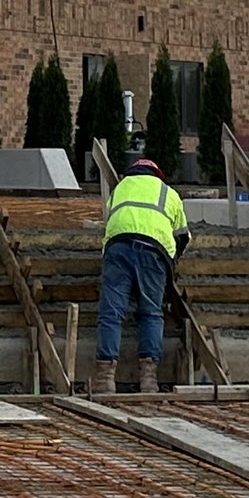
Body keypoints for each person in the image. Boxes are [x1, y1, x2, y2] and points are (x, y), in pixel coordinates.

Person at [91, 155, 189, 395]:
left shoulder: (120, 189)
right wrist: (171, 262)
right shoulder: (168, 193)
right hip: (154, 252)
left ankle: (105, 379)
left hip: (118, 248)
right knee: (151, 312)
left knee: (111, 313)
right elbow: (183, 236)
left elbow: (111, 221)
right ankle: (148, 379)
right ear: (157, 175)